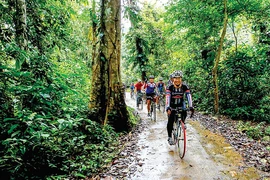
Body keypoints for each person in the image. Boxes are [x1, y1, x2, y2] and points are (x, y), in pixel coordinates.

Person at [166, 70, 194, 145]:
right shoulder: (170, 87)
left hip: (180, 103)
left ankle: (183, 122)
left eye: (179, 78)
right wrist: (168, 107)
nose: (177, 80)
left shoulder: (185, 86)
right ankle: (169, 137)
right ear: (173, 79)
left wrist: (191, 106)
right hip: (172, 104)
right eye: (175, 78)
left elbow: (188, 95)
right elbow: (168, 97)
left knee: (184, 111)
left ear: (181, 79)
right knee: (170, 120)